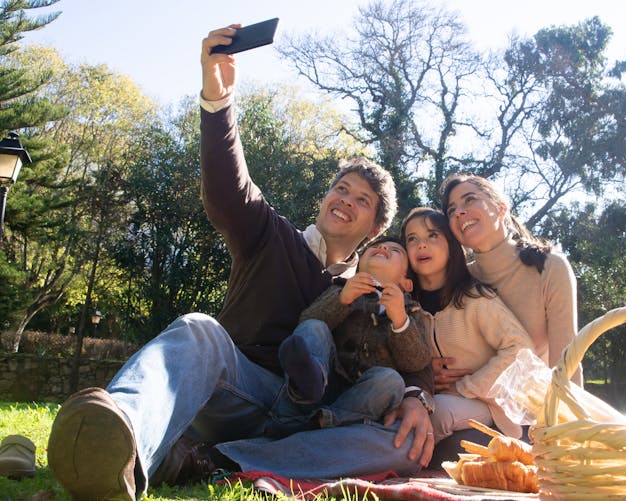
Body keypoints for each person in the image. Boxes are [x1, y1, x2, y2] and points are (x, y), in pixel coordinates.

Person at [46, 24, 434, 501]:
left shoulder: (369, 296)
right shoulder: (271, 235)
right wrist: (217, 101)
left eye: (363, 200)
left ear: (374, 229)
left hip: (314, 423)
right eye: (341, 189)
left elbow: (408, 354)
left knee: (402, 449)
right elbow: (229, 190)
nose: (346, 201)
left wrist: (417, 397)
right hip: (237, 391)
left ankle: (217, 461)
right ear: (325, 197)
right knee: (198, 328)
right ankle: (117, 441)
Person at [271, 235, 433, 437]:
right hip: (326, 380)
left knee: (391, 381)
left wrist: (400, 321)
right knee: (313, 328)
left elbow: (416, 362)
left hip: (363, 396)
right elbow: (307, 319)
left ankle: (321, 421)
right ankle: (304, 388)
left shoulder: (411, 311)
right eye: (375, 246)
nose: (382, 247)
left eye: (395, 250)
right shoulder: (340, 287)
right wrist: (343, 299)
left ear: (406, 284)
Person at [400, 207, 533, 442]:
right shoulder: (405, 305)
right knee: (411, 411)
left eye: (433, 235)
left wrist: (465, 386)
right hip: (428, 399)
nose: (422, 244)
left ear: (452, 245)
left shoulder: (476, 298)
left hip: (486, 404)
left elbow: (520, 348)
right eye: (412, 239)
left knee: (436, 412)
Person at [439, 174, 583, 386]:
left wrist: (568, 416)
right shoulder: (457, 280)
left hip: (533, 408)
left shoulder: (550, 266)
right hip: (465, 404)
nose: (459, 212)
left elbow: (566, 363)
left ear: (501, 208)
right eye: (451, 211)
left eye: (470, 199)